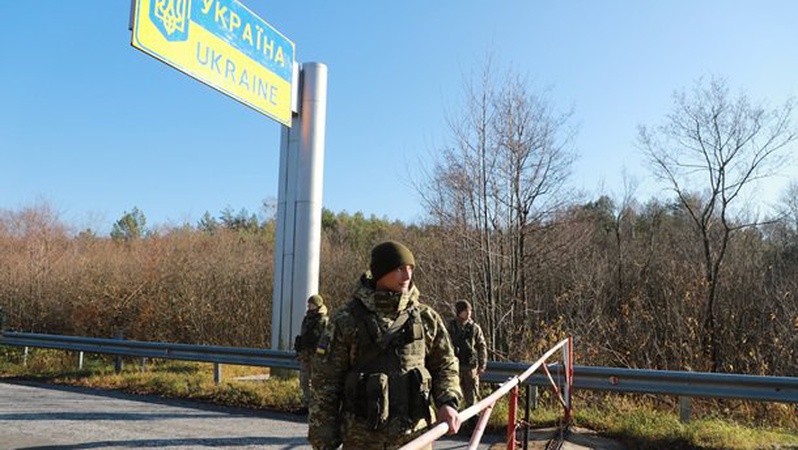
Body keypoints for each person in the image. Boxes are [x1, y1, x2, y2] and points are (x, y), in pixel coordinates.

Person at [309, 240, 463, 450]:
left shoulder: (426, 318)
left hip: (416, 440)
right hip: (362, 441)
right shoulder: (347, 320)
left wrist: (448, 401)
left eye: (410, 269)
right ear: (381, 272)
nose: (407, 276)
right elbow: (325, 383)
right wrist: (324, 441)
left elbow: (445, 365)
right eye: (400, 269)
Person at [447, 300, 487, 410]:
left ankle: (473, 423)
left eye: (469, 310)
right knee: (454, 397)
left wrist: (482, 365)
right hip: (455, 367)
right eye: (465, 310)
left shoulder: (474, 328)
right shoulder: (451, 327)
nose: (468, 313)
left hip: (470, 368)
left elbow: (481, 346)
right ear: (459, 312)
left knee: (472, 398)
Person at [294, 294, 329, 409]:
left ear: (317, 305)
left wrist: (321, 355)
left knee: (316, 382)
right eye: (309, 304)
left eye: (311, 304)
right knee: (304, 381)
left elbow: (326, 338)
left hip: (316, 356)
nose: (308, 306)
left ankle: (316, 406)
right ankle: (306, 404)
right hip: (305, 355)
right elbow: (304, 334)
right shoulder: (307, 319)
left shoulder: (324, 320)